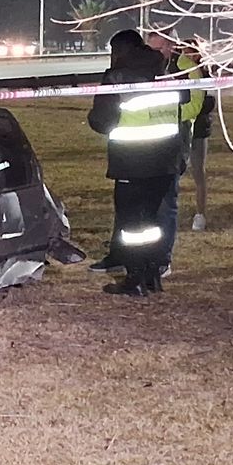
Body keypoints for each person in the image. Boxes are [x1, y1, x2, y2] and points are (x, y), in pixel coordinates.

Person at [86, 30, 185, 296]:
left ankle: (135, 280)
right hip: (165, 160)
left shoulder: (117, 76)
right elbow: (182, 103)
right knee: (152, 222)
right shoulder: (167, 71)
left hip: (133, 161)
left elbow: (102, 120)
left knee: (131, 226)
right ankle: (153, 274)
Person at [146, 29, 205, 270]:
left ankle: (163, 260)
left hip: (176, 139)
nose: (156, 53)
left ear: (171, 47)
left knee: (165, 202)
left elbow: (195, 105)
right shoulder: (146, 67)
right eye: (151, 49)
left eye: (160, 48)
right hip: (147, 141)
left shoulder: (187, 68)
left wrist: (165, 115)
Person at [182, 39, 217, 230]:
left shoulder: (204, 73)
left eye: (190, 53)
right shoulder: (177, 72)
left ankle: (200, 214)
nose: (187, 57)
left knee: (198, 172)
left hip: (199, 130)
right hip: (180, 128)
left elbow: (210, 102)